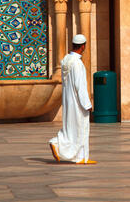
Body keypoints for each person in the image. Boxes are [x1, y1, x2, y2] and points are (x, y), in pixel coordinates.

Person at [49, 34, 96, 164]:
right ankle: (57, 143)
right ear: (83, 46)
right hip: (77, 101)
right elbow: (79, 85)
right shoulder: (77, 63)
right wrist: (87, 103)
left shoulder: (66, 60)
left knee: (71, 127)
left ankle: (80, 157)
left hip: (68, 100)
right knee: (80, 127)